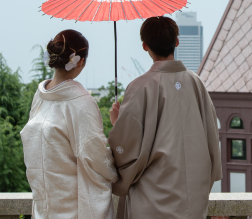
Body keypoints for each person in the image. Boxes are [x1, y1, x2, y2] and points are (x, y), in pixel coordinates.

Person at [108, 16, 222, 219]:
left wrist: (118, 124)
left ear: (145, 46)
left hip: (153, 196)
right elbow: (211, 135)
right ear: (177, 41)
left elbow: (126, 146)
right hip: (193, 196)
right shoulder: (196, 83)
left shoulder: (140, 86)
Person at [21, 30, 118, 219]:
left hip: (45, 204)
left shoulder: (40, 97)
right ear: (80, 61)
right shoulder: (81, 102)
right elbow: (94, 155)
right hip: (75, 208)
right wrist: (117, 169)